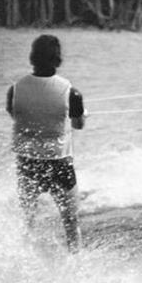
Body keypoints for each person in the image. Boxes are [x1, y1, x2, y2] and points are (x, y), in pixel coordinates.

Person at [6, 35, 86, 252]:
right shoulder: (72, 92)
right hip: (59, 163)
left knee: (28, 220)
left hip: (28, 163)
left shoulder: (15, 89)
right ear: (57, 59)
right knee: (70, 221)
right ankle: (76, 264)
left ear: (33, 57)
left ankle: (23, 262)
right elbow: (78, 125)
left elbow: (16, 116)